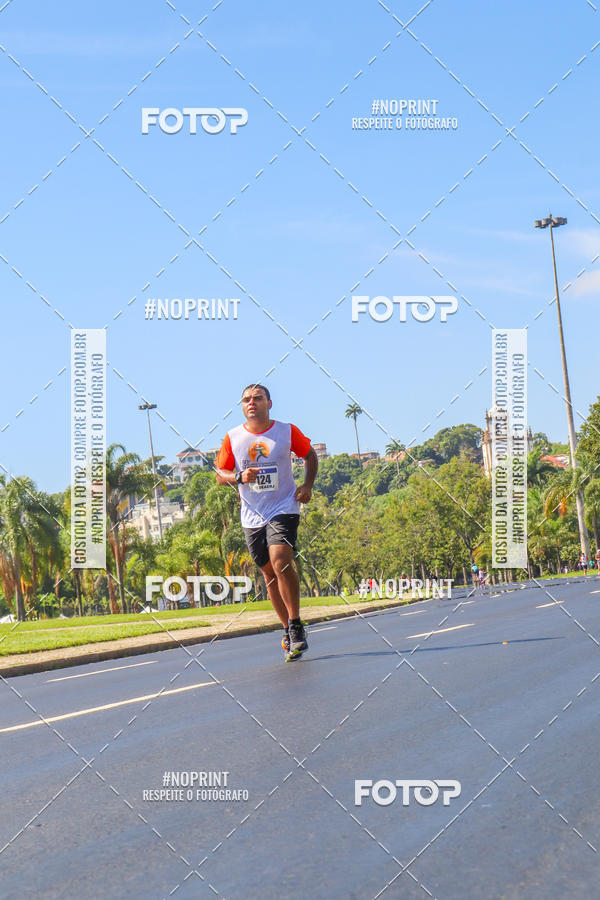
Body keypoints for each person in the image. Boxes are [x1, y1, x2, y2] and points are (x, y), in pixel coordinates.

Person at [216, 383, 318, 660]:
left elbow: (309, 455)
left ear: (269, 403)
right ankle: (286, 629)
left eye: (258, 398)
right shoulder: (233, 437)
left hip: (284, 506)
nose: (252, 403)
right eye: (247, 399)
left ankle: (295, 624)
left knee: (280, 560)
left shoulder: (286, 431)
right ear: (242, 406)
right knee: (269, 574)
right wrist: (239, 477)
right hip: (252, 514)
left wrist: (307, 485)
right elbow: (220, 474)